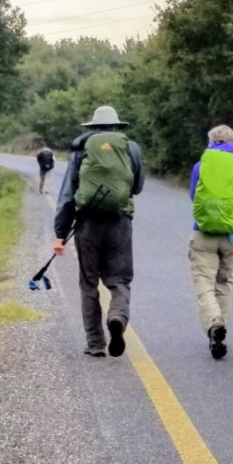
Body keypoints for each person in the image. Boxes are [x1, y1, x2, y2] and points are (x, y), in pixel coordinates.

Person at [52, 105, 144, 358]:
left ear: (93, 126)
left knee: (89, 282)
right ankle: (117, 317)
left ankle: (95, 342)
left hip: (87, 223)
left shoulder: (81, 148)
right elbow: (137, 187)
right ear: (116, 126)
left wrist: (60, 233)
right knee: (120, 280)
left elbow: (68, 193)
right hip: (120, 221)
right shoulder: (131, 148)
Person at [187, 124, 233, 359]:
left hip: (204, 233)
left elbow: (194, 196)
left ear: (211, 142)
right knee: (224, 282)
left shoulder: (201, 165)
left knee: (204, 282)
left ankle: (214, 323)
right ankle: (220, 331)